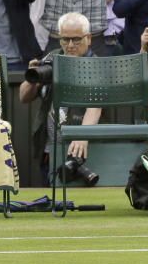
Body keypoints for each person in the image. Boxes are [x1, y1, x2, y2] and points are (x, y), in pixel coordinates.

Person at [19, 11, 102, 183]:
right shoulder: (52, 58)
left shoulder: (97, 65)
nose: (70, 45)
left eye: (76, 39)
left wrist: (82, 136)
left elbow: (94, 108)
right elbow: (23, 97)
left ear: (89, 38)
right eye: (65, 39)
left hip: (83, 149)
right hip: (50, 148)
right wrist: (32, 79)